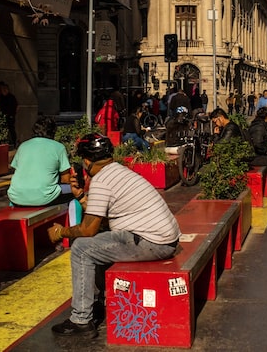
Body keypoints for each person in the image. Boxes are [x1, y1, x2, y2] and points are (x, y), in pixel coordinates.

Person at [47, 133, 180, 338]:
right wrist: (81, 196)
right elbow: (103, 220)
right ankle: (101, 302)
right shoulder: (118, 172)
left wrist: (60, 232)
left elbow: (87, 229)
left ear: (87, 161)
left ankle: (81, 320)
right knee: (98, 242)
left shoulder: (101, 180)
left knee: (81, 249)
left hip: (153, 242)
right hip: (161, 238)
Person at [8, 116, 77, 206]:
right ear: (53, 131)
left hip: (16, 196)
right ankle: (76, 220)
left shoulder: (23, 146)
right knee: (76, 191)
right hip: (45, 198)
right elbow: (65, 179)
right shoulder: (58, 147)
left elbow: (16, 169)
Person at [0, 81, 18, 147]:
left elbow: (16, 106)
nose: (4, 91)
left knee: (11, 130)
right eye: (3, 90)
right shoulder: (1, 97)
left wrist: (12, 114)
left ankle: (13, 142)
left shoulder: (11, 97)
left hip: (10, 116)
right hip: (3, 116)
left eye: (5, 89)